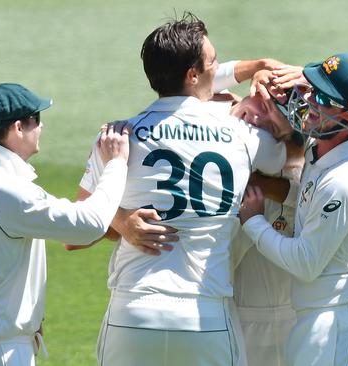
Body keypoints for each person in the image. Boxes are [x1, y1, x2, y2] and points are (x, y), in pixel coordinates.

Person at [79, 13, 287, 365]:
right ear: (193, 75)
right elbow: (296, 165)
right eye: (214, 61)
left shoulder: (117, 135)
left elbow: (77, 231)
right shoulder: (243, 137)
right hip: (205, 318)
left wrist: (122, 220)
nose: (219, 67)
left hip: (133, 314)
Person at [0, 83, 131, 366]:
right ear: (17, 128)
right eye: (37, 120)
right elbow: (90, 224)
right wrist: (115, 163)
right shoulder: (6, 190)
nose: (42, 127)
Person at [239, 53, 348, 366]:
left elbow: (305, 263)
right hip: (320, 319)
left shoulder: (343, 180)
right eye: (311, 90)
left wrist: (253, 220)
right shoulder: (320, 151)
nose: (309, 102)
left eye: (323, 98)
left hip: (336, 326)